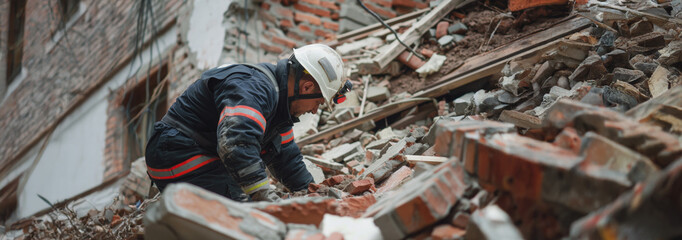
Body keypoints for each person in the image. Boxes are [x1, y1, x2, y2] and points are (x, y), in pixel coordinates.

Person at [144, 44, 352, 202]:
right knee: (243, 214)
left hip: (199, 153)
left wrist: (312, 194)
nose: (315, 110)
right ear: (306, 87)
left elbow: (286, 157)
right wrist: (266, 198)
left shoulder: (279, 106)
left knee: (249, 206)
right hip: (176, 153)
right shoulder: (255, 88)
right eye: (317, 102)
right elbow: (236, 144)